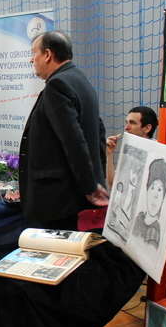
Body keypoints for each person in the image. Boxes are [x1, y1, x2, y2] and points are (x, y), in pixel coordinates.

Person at [19, 31, 108, 231]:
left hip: (58, 202)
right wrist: (96, 180)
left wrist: (90, 187)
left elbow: (73, 140)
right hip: (75, 198)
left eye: (34, 53)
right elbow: (99, 133)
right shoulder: (81, 80)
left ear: (47, 55)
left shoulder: (56, 86)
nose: (31, 59)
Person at [105, 106, 159, 188]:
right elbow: (113, 184)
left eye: (132, 123)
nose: (126, 128)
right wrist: (109, 153)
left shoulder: (158, 153)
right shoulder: (130, 151)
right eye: (126, 122)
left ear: (147, 128)